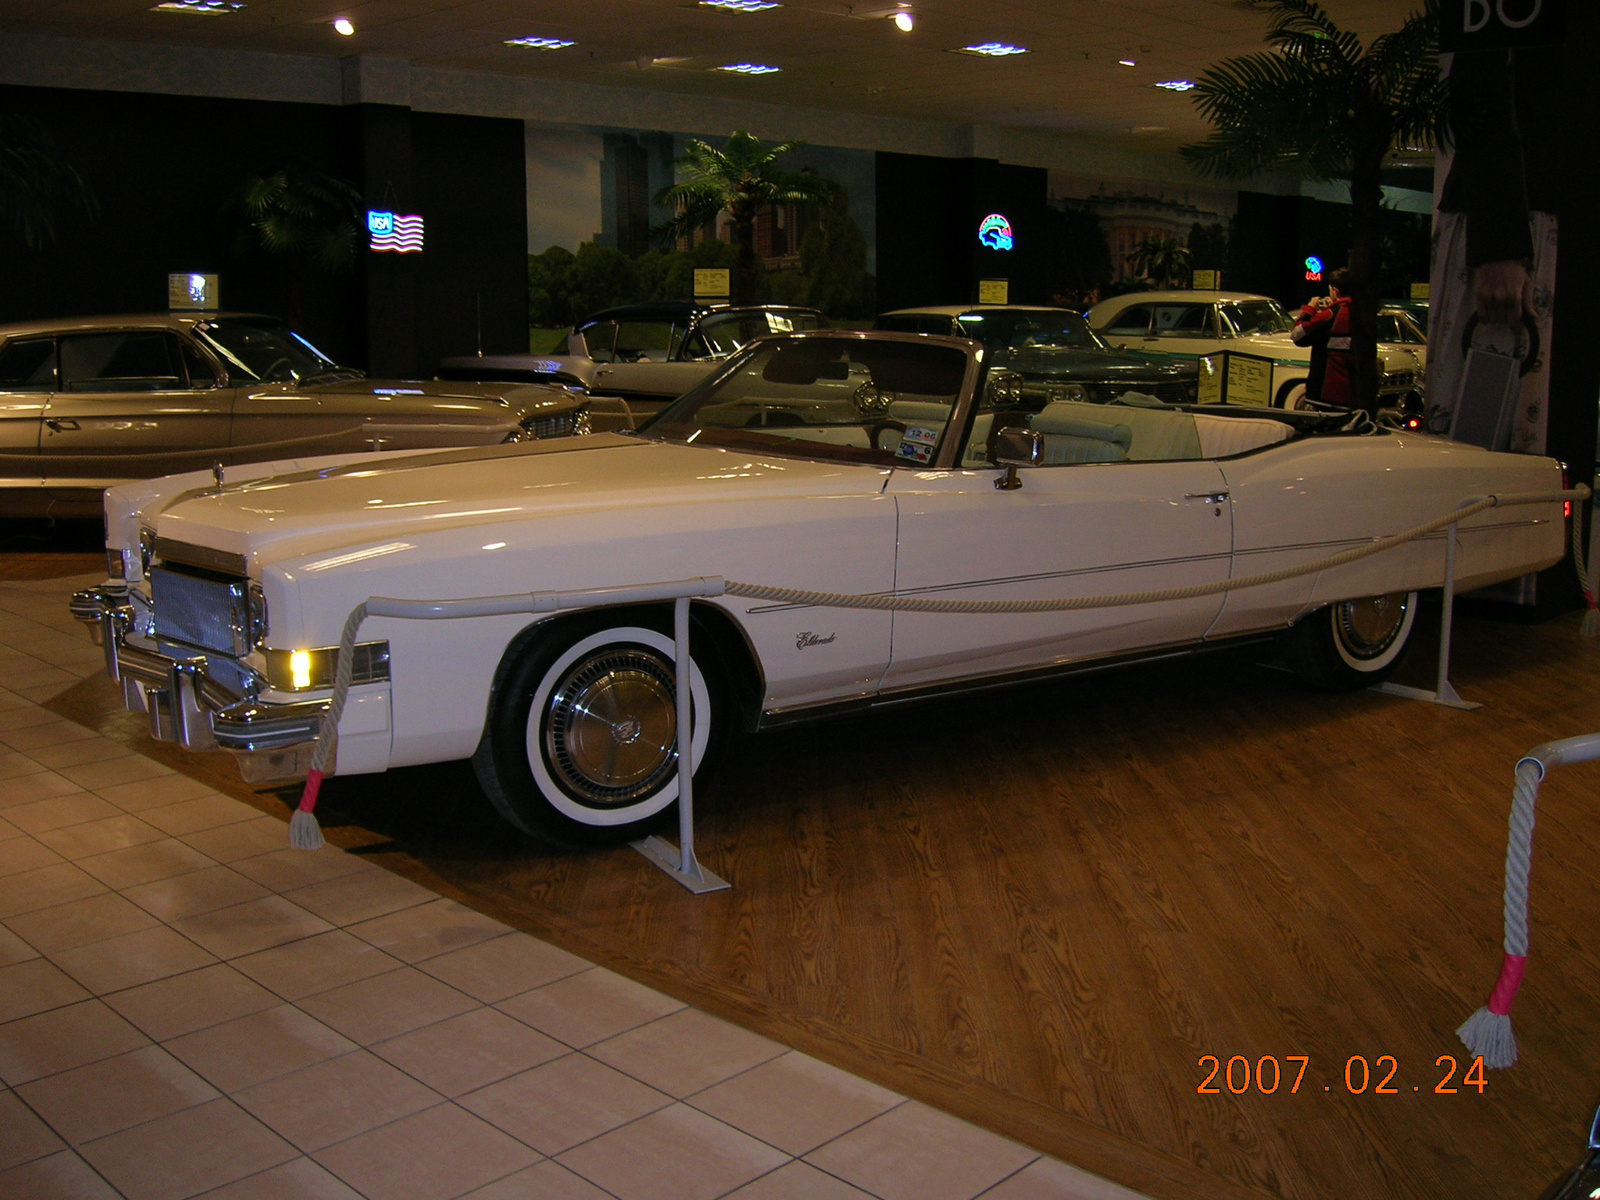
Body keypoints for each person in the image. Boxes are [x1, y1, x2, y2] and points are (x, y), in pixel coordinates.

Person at [1291, 268, 1352, 406]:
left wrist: (1310, 309)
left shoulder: (1329, 315)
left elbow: (1296, 335)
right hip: (1353, 393)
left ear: (1335, 291)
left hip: (1325, 392)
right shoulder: (1361, 313)